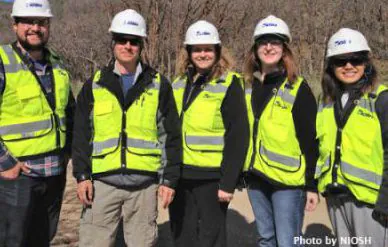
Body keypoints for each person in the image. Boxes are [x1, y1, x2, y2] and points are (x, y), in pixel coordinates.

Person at [72, 9, 181, 247]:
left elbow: (170, 136)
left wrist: (169, 180)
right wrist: (82, 176)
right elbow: (81, 135)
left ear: (141, 45)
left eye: (134, 41)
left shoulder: (158, 85)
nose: (127, 46)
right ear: (113, 42)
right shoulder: (95, 84)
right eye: (122, 39)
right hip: (102, 186)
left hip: (143, 187)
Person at [0, 0, 74, 246]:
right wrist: (5, 163)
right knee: (13, 240)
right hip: (18, 178)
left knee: (43, 239)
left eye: (41, 22)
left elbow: (68, 112)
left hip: (54, 174)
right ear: (15, 25)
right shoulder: (3, 62)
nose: (35, 28)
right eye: (28, 22)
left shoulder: (57, 62)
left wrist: (67, 152)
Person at [169, 20, 249, 247]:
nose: (202, 54)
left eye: (207, 49)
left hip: (212, 179)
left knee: (211, 238)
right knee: (182, 235)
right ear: (189, 52)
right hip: (181, 176)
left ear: (217, 51)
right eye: (197, 49)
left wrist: (228, 182)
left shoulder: (229, 83)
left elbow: (238, 135)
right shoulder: (178, 83)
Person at [242, 15, 319, 247]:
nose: (268, 47)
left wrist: (311, 185)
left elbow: (310, 141)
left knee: (288, 242)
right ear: (255, 49)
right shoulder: (246, 85)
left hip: (287, 182)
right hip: (256, 178)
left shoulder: (298, 88)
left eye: (275, 42)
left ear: (284, 49)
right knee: (266, 239)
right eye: (263, 42)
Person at [315, 28, 388, 246]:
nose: (348, 66)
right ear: (331, 65)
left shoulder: (380, 100)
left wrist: (385, 203)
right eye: (341, 61)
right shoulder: (326, 101)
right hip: (336, 197)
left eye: (356, 59)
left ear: (366, 63)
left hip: (370, 204)